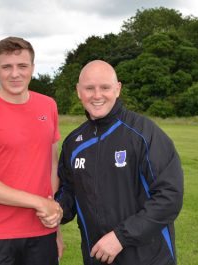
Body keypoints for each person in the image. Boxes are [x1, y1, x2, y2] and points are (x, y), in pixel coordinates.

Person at [55, 60, 184, 264]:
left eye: (105, 87)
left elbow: (169, 197)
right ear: (79, 91)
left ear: (117, 89)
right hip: (97, 257)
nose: (97, 95)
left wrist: (120, 237)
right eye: (89, 88)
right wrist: (57, 210)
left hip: (149, 258)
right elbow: (69, 190)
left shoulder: (144, 133)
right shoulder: (73, 142)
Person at [0, 36, 63, 265]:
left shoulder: (48, 105)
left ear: (33, 68)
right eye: (7, 67)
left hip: (41, 232)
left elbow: (52, 165)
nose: (15, 73)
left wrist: (54, 223)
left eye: (22, 66)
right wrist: (39, 203)